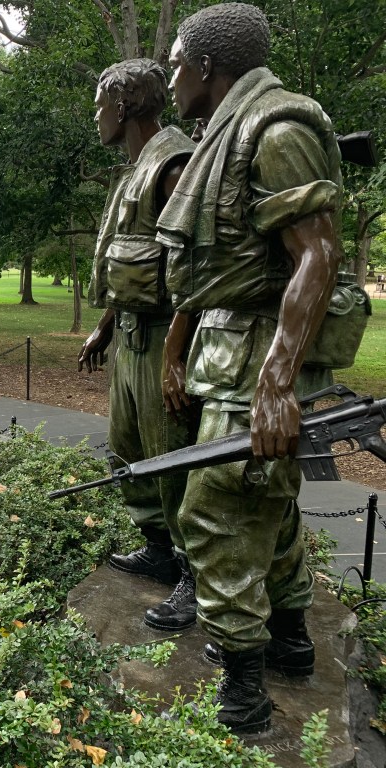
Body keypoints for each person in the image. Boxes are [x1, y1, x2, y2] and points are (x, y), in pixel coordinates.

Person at [158, 2, 343, 733]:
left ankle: (243, 692)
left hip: (260, 354)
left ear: (206, 65)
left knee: (218, 510)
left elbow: (318, 255)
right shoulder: (230, 128)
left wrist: (275, 381)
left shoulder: (274, 127)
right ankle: (291, 641)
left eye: (176, 62)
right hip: (233, 346)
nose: (172, 77)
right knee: (269, 502)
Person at [79, 59, 199, 630]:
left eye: (101, 104)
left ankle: (195, 579)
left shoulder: (173, 165)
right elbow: (134, 264)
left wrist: (175, 355)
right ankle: (157, 547)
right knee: (128, 450)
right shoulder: (135, 169)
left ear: (123, 106)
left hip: (161, 342)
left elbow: (195, 272)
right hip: (130, 336)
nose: (95, 115)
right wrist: (105, 325)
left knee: (174, 459)